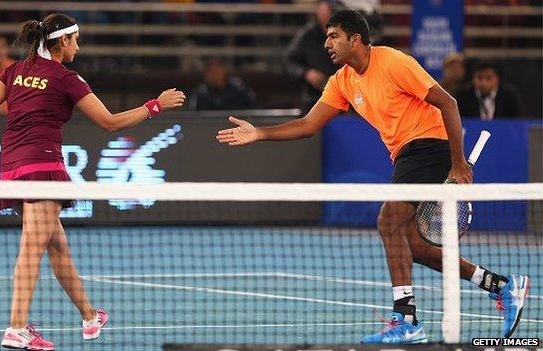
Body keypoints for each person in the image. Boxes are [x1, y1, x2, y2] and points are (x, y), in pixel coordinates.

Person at [217, 10, 528, 344]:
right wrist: (260, 133)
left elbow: (448, 103)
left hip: (430, 146)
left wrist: (457, 163)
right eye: (326, 37)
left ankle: (407, 320)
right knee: (416, 247)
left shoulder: (394, 62)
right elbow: (309, 124)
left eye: (333, 36)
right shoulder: (342, 81)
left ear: (356, 39)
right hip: (405, 156)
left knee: (388, 220)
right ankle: (501, 286)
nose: (326, 44)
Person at [0, 13, 185, 351]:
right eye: (76, 39)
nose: (78, 46)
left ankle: (89, 316)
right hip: (42, 167)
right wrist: (155, 106)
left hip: (11, 167)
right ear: (63, 41)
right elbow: (109, 122)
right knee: (32, 245)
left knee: (54, 242)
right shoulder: (66, 77)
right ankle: (16, 328)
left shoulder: (13, 72)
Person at [283, 0, 338, 112]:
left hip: (342, 95)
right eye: (321, 14)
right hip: (314, 97)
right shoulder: (308, 35)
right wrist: (306, 73)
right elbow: (288, 62)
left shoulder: (345, 34)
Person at [456, 61, 524, 119]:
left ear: (497, 79)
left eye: (488, 78)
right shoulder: (463, 96)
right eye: (479, 78)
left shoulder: (510, 96)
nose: (484, 83)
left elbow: (517, 122)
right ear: (473, 79)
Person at [188, 58, 256, 111]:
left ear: (224, 72)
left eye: (217, 72)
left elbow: (252, 108)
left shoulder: (239, 89)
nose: (214, 76)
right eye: (212, 73)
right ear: (205, 74)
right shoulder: (200, 93)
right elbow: (193, 113)